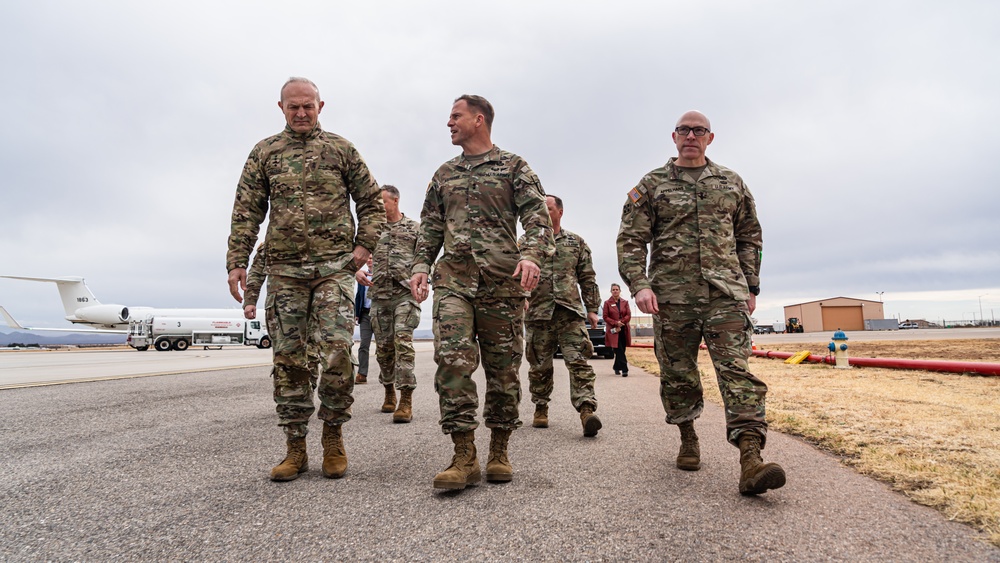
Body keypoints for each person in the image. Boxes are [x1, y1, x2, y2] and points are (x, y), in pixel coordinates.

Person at [616, 110, 785, 495]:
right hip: (672, 298)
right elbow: (630, 240)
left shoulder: (731, 182)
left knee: (737, 373)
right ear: (673, 137)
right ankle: (688, 436)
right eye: (684, 130)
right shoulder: (652, 184)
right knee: (678, 374)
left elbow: (749, 238)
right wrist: (640, 285)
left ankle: (751, 459)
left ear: (711, 138)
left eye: (699, 131)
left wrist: (751, 287)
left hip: (725, 293)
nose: (691, 135)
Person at [227, 77, 385, 482]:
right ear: (281, 107)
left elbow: (370, 201)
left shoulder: (341, 149)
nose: (301, 113)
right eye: (293, 107)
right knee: (289, 360)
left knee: (335, 352)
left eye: (308, 107)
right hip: (285, 272)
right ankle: (295, 446)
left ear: (320, 106)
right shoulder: (265, 153)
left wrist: (363, 246)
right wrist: (237, 261)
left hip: (334, 269)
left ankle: (333, 436)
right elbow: (246, 212)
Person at [409, 95, 554, 490]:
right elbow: (430, 227)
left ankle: (500, 449)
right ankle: (463, 454)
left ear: (478, 119)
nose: (449, 122)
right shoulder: (444, 174)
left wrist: (532, 256)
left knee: (503, 370)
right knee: (453, 362)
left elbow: (536, 218)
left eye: (455, 116)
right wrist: (421, 265)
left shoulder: (514, 167)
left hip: (502, 283)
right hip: (454, 281)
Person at [521, 195, 602, 437]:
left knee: (578, 362)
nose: (543, 214)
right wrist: (521, 297)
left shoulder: (576, 243)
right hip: (537, 313)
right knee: (539, 366)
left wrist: (592, 309)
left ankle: (587, 410)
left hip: (569, 313)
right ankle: (541, 406)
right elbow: (514, 275)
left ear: (560, 212)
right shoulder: (525, 243)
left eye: (548, 209)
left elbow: (587, 277)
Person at [367, 185, 421, 423]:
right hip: (379, 296)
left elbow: (424, 258)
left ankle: (406, 399)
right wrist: (358, 270)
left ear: (395, 200)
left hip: (404, 295)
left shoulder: (414, 229)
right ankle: (388, 388)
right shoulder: (371, 229)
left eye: (383, 202)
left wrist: (423, 280)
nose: (379, 207)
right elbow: (353, 253)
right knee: (384, 350)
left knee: (403, 342)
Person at [244, 242, 319, 387]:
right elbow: (256, 272)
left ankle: (307, 390)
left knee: (311, 352)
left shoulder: (316, 237)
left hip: (312, 306)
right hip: (281, 306)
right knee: (285, 352)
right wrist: (250, 300)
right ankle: (290, 397)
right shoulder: (270, 243)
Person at [602, 284, 632, 377]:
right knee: (618, 349)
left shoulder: (625, 302)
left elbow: (628, 315)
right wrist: (615, 323)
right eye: (613, 289)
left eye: (617, 289)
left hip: (623, 328)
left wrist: (621, 322)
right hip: (613, 330)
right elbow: (605, 317)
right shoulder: (607, 303)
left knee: (622, 349)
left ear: (620, 291)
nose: (615, 291)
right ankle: (624, 369)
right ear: (611, 291)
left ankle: (616, 367)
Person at [354, 256, 374, 384]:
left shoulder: (382, 275)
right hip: (365, 314)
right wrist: (357, 313)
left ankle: (387, 376)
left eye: (372, 258)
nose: (369, 260)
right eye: (368, 258)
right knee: (364, 345)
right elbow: (359, 295)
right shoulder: (362, 275)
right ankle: (362, 374)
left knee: (384, 346)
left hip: (380, 313)